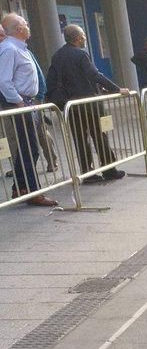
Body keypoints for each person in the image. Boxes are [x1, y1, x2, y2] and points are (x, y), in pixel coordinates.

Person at [46, 24, 129, 183]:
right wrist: (117, 89)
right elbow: (94, 75)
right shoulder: (81, 55)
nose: (84, 38)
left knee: (80, 138)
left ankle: (87, 173)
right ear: (77, 38)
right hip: (89, 103)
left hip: (70, 104)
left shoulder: (57, 55)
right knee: (100, 135)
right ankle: (109, 169)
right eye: (83, 36)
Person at [0, 12, 56, 206]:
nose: (28, 25)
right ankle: (32, 191)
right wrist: (19, 102)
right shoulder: (9, 49)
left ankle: (20, 188)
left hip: (28, 102)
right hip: (21, 104)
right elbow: (4, 81)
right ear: (19, 29)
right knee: (31, 148)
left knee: (28, 148)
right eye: (25, 23)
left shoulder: (20, 48)